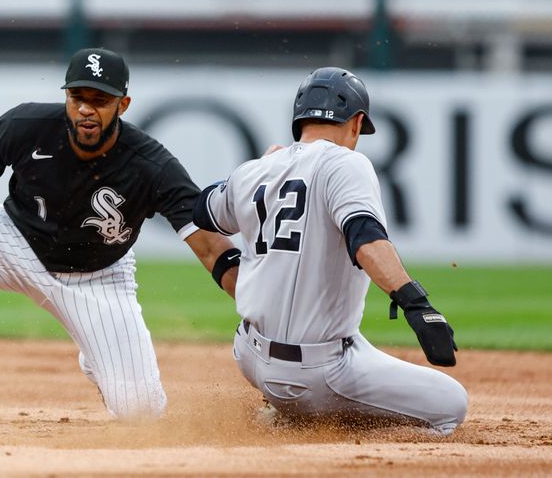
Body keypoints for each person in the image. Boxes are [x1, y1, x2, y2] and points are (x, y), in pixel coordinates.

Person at [0, 48, 239, 427]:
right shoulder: (26, 125)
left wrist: (254, 296)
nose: (86, 108)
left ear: (123, 105)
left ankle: (98, 353)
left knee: (141, 412)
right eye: (78, 96)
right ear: (66, 97)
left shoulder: (153, 166)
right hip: (12, 240)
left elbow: (208, 245)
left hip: (97, 276)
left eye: (100, 99)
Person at [192, 67, 468, 435]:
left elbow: (204, 210)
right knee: (451, 406)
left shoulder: (255, 170)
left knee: (353, 340)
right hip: (318, 373)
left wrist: (254, 169)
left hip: (250, 357)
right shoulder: (347, 163)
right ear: (356, 123)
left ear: (299, 121)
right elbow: (366, 239)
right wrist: (417, 304)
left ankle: (284, 410)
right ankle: (326, 428)